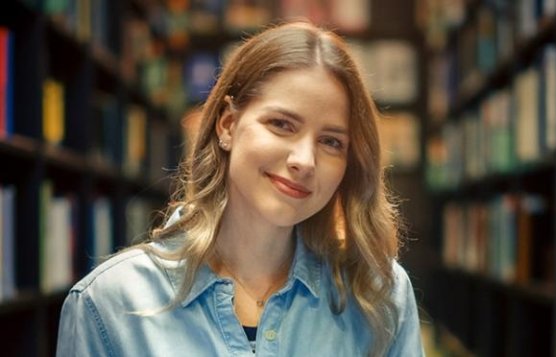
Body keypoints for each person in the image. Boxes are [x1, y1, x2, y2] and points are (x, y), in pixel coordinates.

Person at [56, 21, 424, 357]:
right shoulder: (109, 303)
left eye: (331, 142)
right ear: (228, 125)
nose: (304, 160)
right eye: (282, 124)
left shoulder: (380, 297)